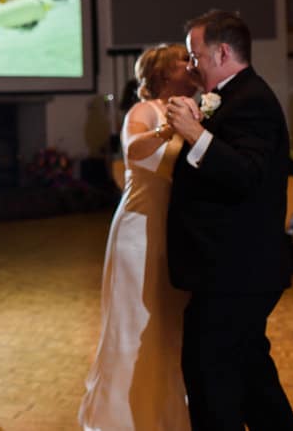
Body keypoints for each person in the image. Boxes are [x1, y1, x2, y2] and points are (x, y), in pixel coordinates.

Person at [165, 10, 293, 430]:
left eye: (195, 56)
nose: (190, 66)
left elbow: (246, 174)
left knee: (211, 381)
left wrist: (195, 134)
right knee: (251, 378)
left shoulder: (252, 99)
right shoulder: (235, 96)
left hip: (234, 273)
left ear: (222, 52)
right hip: (233, 269)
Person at [79, 44, 197, 431]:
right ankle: (129, 419)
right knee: (137, 322)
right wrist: (170, 128)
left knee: (168, 325)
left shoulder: (193, 110)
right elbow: (132, 151)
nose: (191, 64)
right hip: (139, 231)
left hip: (175, 230)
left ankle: (167, 416)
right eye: (184, 60)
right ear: (164, 73)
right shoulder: (143, 111)